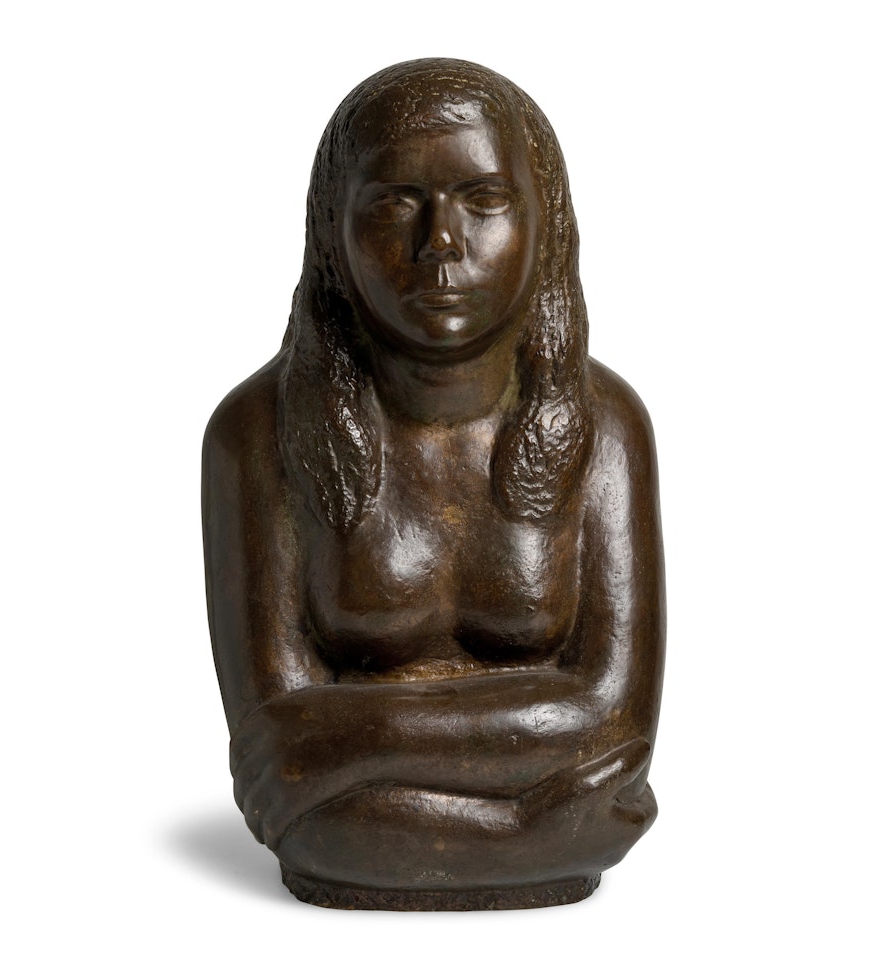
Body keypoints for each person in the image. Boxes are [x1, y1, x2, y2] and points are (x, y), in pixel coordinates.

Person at [202, 59, 665, 910]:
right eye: (395, 202)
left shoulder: (605, 426)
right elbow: (274, 768)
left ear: (546, 221)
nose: (441, 243)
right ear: (332, 229)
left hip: (357, 824)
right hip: (335, 840)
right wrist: (530, 827)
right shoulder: (257, 434)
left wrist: (349, 736)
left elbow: (615, 728)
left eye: (484, 199)